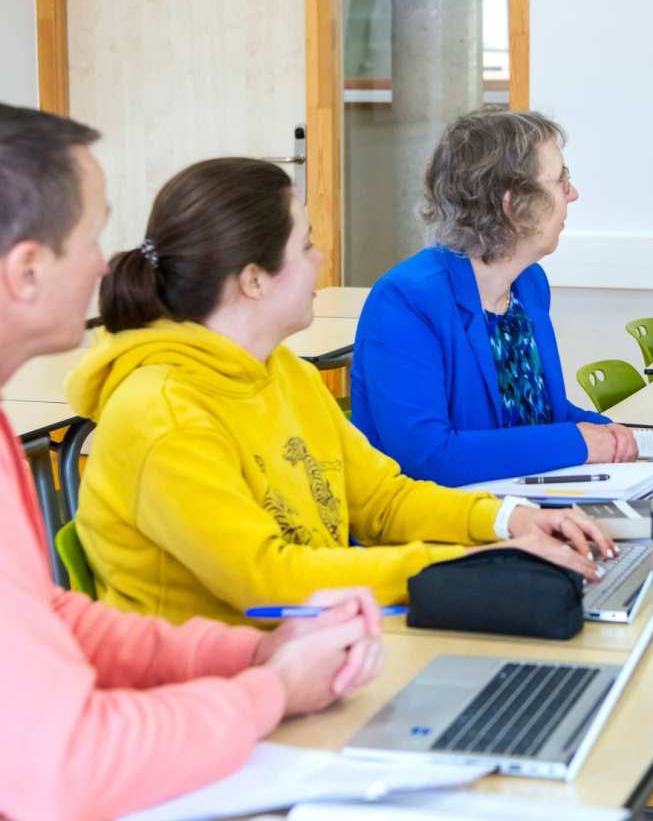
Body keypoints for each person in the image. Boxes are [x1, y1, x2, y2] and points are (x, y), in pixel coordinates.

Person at [0, 106, 385, 821]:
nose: (105, 263)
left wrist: (251, 655)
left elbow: (51, 618)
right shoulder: (160, 409)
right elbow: (60, 767)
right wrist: (268, 691)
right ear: (26, 271)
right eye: (90, 236)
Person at [70, 156, 613, 629]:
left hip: (319, 647)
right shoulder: (162, 416)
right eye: (304, 244)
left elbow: (383, 499)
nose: (321, 258)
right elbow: (269, 579)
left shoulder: (284, 373)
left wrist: (508, 520)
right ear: (254, 279)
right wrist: (472, 564)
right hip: (213, 693)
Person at [350, 110, 638, 486]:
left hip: (520, 509)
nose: (573, 193)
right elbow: (430, 457)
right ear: (514, 204)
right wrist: (579, 441)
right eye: (561, 180)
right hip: (431, 532)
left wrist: (613, 434)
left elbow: (542, 414)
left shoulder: (529, 284)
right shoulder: (406, 301)